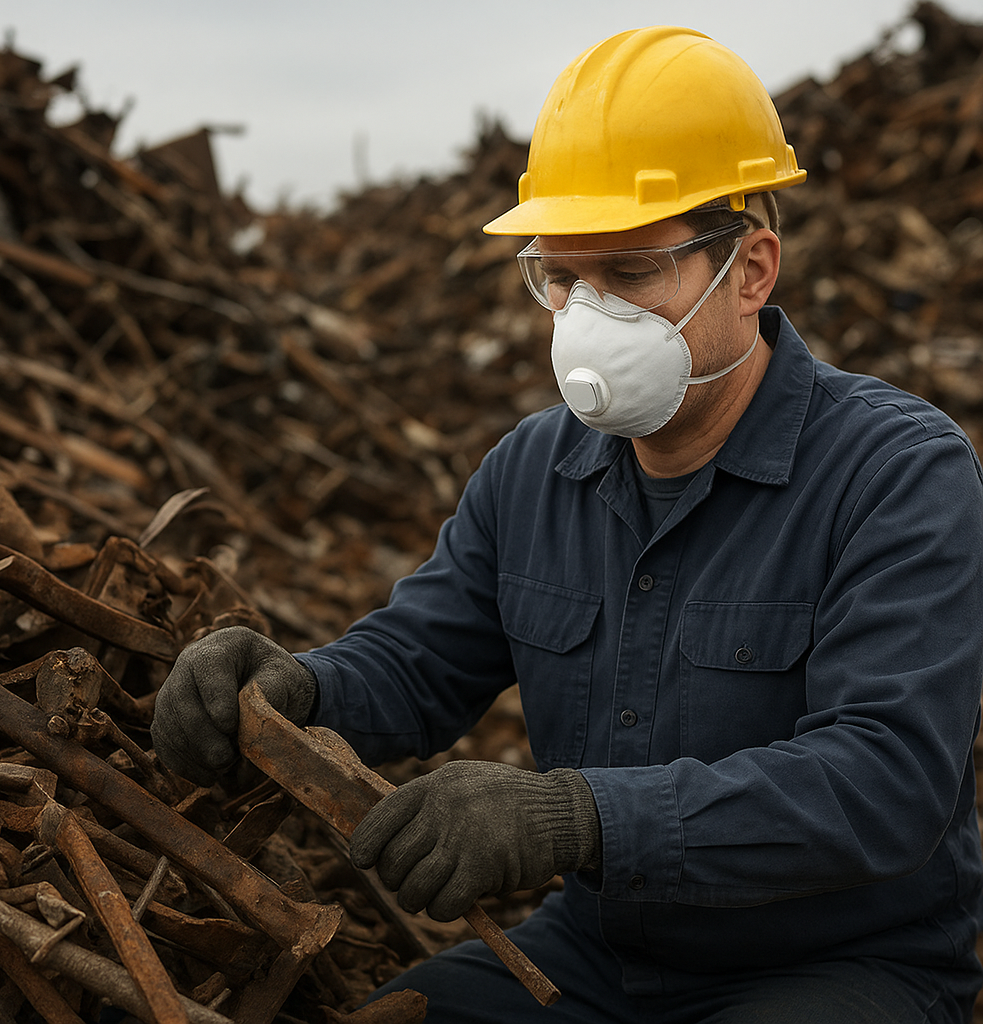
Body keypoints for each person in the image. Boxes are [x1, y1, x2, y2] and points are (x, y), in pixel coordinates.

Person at [151, 25, 983, 1024]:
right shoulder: (531, 472)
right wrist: (299, 684)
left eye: (630, 276)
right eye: (561, 278)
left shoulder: (896, 474)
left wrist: (576, 816)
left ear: (752, 271)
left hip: (839, 965)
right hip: (597, 953)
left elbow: (883, 779)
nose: (587, 318)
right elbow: (421, 660)